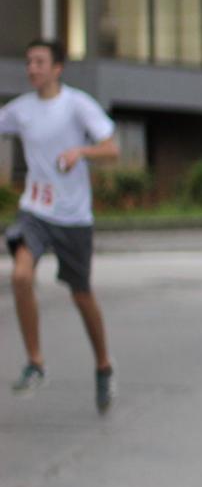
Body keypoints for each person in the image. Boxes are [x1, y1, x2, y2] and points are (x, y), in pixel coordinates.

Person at [4, 38, 119, 412]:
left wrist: (81, 151)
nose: (32, 69)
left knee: (81, 295)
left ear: (57, 68)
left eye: (39, 62)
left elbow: (112, 148)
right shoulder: (21, 110)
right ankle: (35, 362)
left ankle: (103, 365)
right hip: (35, 212)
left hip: (73, 218)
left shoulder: (77, 105)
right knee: (21, 277)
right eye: (28, 62)